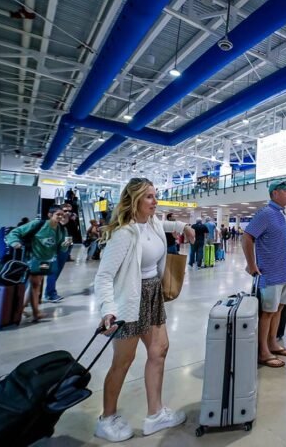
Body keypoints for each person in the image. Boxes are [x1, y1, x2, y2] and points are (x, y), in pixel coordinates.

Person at [93, 177, 195, 442]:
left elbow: (166, 225)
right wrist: (107, 310)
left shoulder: (151, 222)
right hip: (130, 301)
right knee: (123, 361)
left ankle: (155, 414)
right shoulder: (124, 234)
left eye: (155, 195)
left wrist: (184, 226)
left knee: (159, 350)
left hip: (153, 294)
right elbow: (104, 276)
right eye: (149, 196)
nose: (155, 201)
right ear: (134, 200)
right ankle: (106, 419)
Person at [242, 180, 286, 368]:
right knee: (267, 312)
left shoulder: (283, 214)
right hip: (271, 274)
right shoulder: (265, 213)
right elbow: (247, 237)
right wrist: (252, 265)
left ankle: (273, 343)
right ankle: (263, 351)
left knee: (279, 309)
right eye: (285, 191)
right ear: (274, 193)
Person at [6, 206, 71, 322]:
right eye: (58, 214)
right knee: (36, 285)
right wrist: (15, 242)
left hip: (47, 261)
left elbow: (62, 248)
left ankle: (20, 309)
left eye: (63, 215)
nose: (61, 216)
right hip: (33, 258)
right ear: (50, 215)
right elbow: (15, 232)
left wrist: (65, 245)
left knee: (35, 284)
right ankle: (36, 313)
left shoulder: (61, 230)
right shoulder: (38, 224)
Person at [44, 206, 73, 302]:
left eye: (68, 211)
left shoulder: (68, 223)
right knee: (52, 271)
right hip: (50, 252)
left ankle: (48, 293)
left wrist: (66, 246)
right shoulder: (45, 225)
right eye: (64, 211)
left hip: (63, 249)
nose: (65, 214)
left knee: (56, 271)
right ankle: (50, 293)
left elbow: (67, 236)